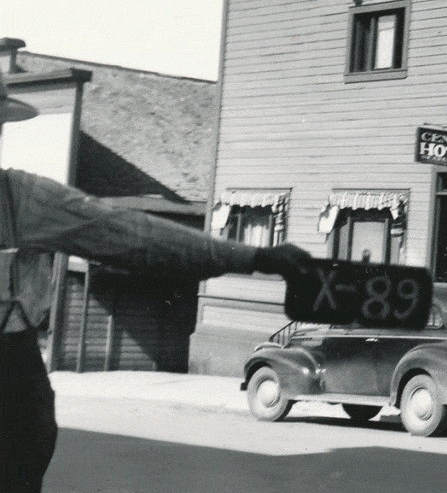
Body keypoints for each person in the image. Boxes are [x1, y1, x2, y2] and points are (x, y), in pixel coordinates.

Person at [0, 81, 313, 493]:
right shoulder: (19, 198)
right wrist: (255, 258)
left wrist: (253, 257)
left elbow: (136, 236)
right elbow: (135, 236)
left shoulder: (20, 199)